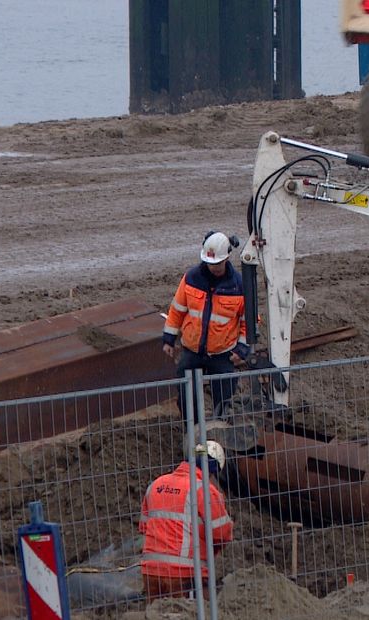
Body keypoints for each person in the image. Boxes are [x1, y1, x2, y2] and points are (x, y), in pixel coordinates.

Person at [162, 231, 249, 415]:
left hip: (222, 354)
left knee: (225, 400)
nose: (214, 268)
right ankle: (192, 431)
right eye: (210, 264)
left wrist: (241, 349)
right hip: (192, 351)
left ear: (226, 258)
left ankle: (221, 431)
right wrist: (169, 338)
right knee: (187, 399)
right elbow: (177, 309)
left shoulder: (238, 286)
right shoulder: (191, 278)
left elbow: (247, 321)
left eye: (217, 263)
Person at [140, 440, 234, 602]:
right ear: (212, 471)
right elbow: (222, 533)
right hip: (185, 574)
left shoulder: (156, 485)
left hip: (151, 571)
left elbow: (143, 527)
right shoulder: (204, 490)